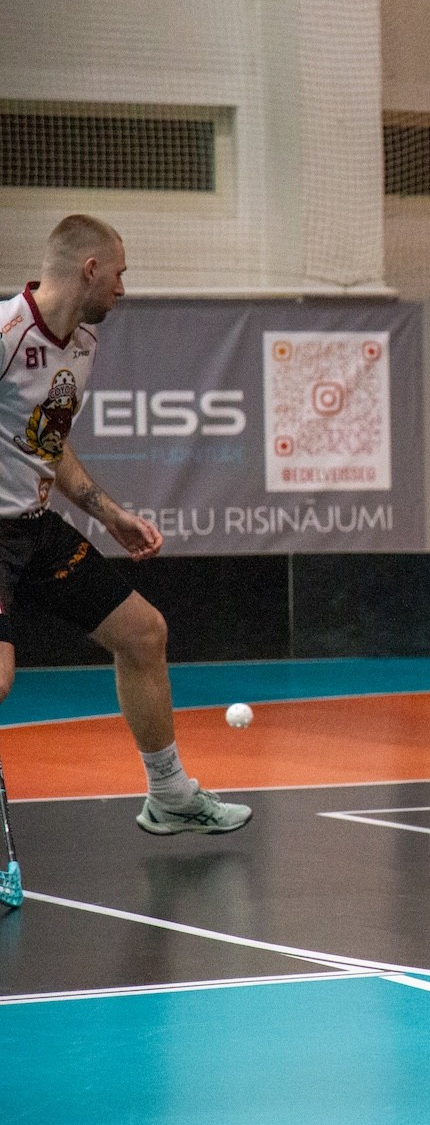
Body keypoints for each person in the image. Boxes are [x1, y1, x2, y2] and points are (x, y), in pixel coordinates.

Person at [0, 215, 251, 836]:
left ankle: (170, 795)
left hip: (33, 528)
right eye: (118, 274)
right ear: (90, 270)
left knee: (142, 634)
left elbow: (47, 442)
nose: (122, 288)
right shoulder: (4, 333)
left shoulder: (82, 344)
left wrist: (109, 514)